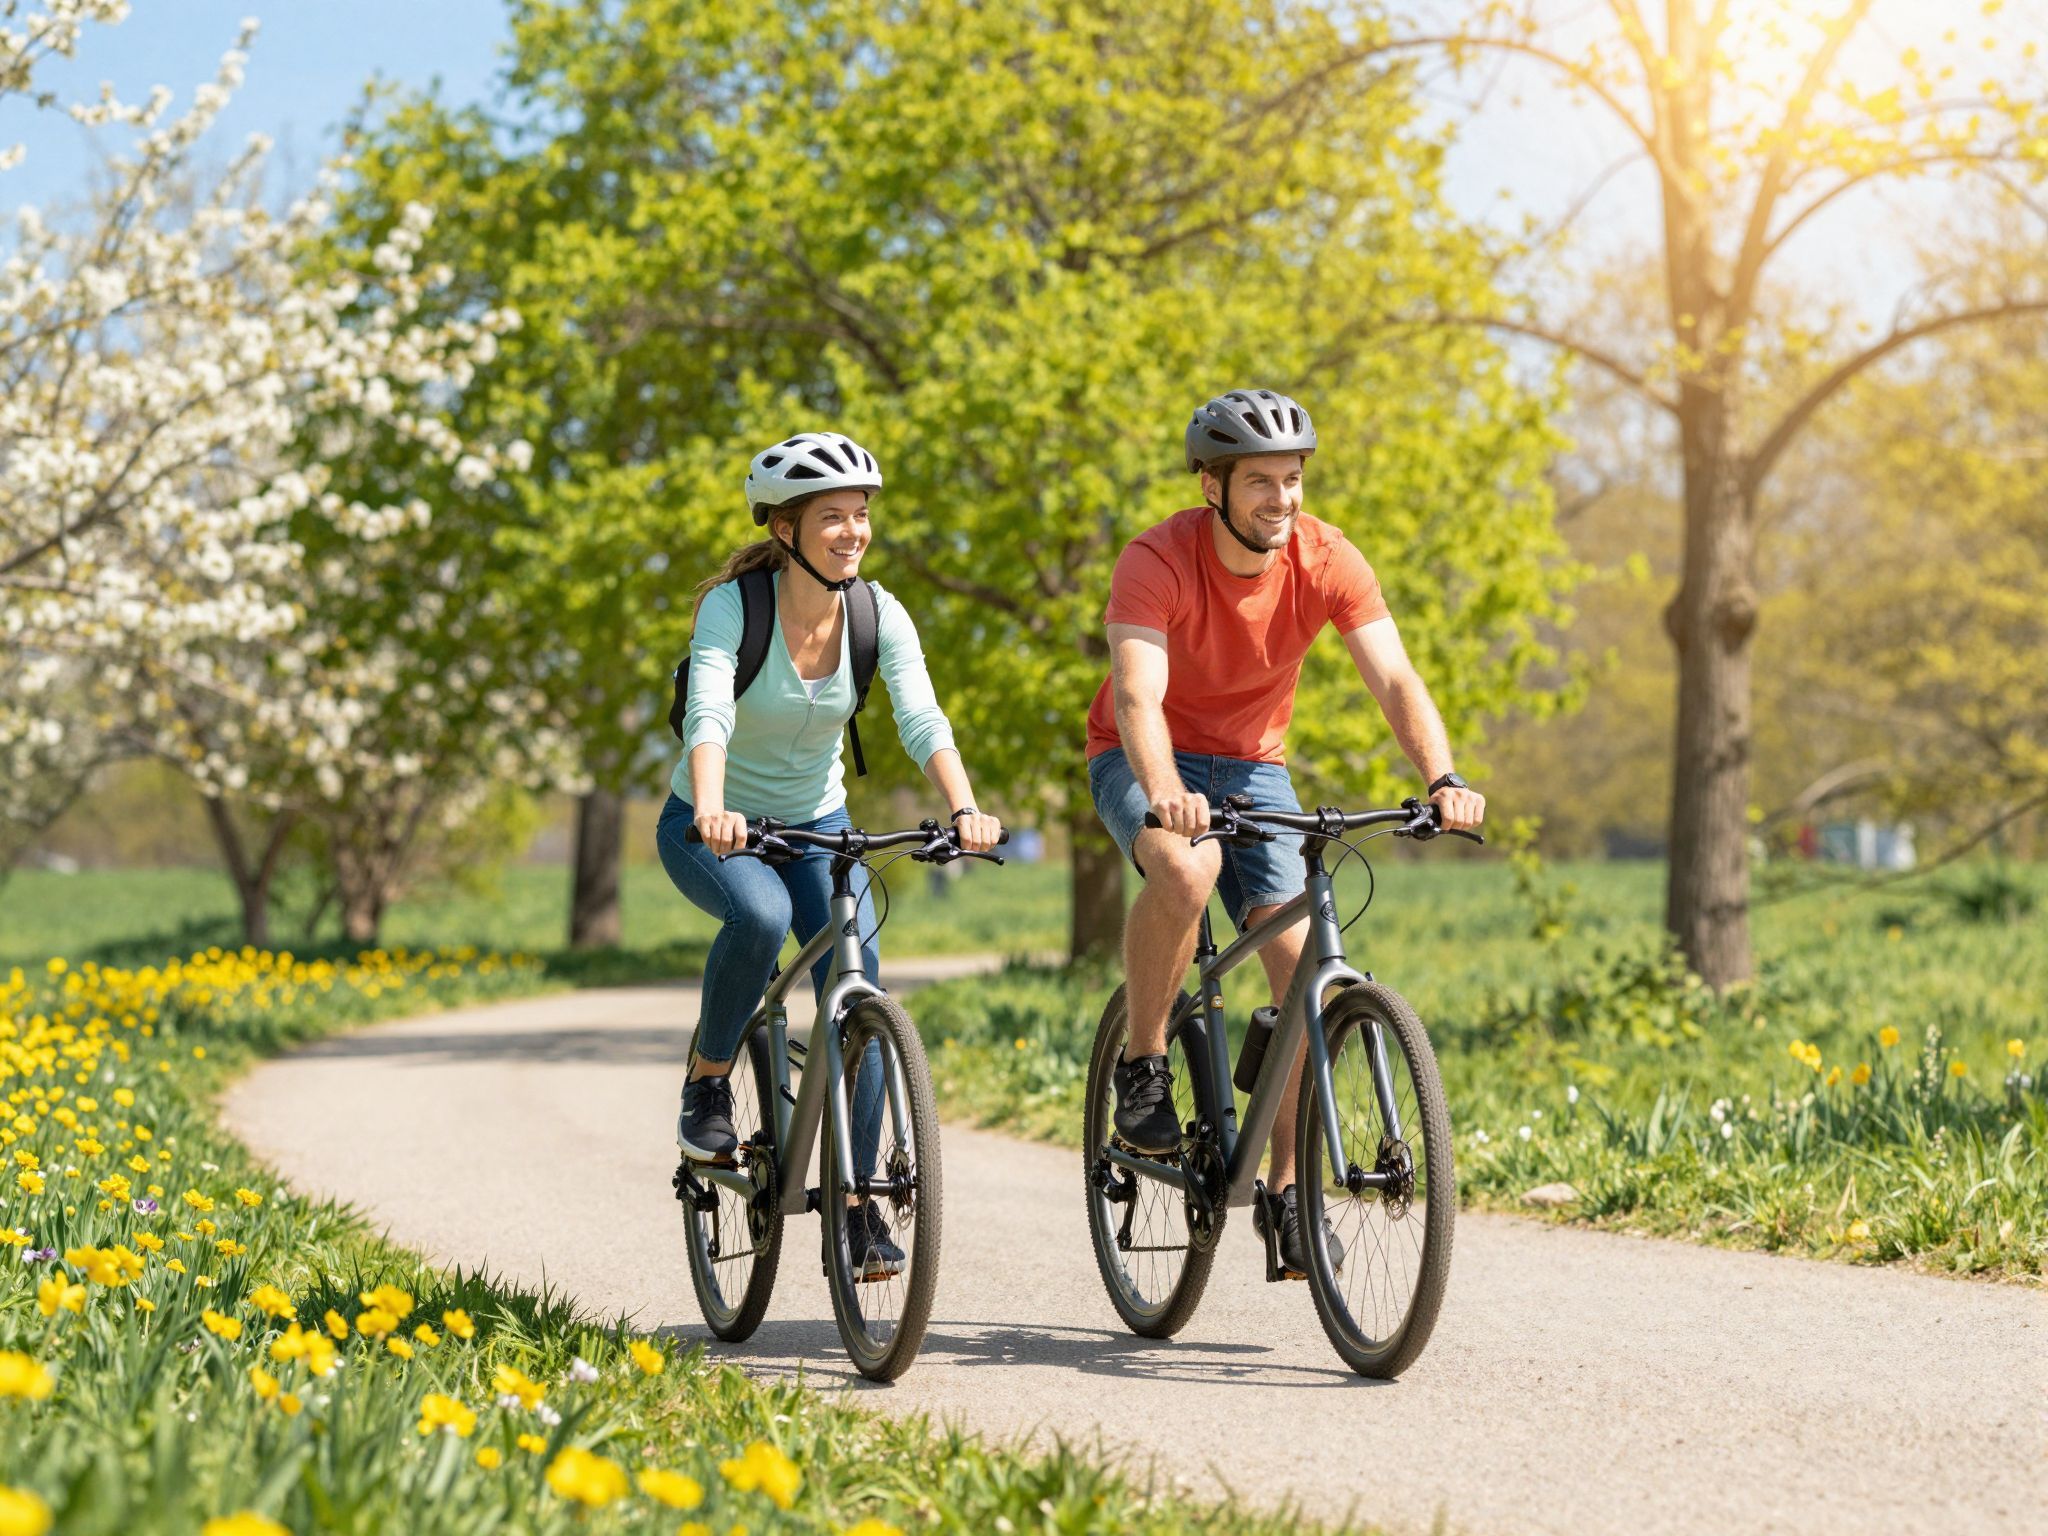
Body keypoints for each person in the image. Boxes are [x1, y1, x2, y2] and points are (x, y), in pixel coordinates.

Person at [1085, 389, 1485, 1277]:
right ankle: (1144, 1065)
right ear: (1212, 485)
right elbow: (1138, 697)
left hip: (1255, 766)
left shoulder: (1327, 556)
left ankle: (1287, 1190)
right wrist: (1165, 792)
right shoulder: (1157, 558)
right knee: (1185, 876)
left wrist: (1441, 777)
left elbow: (1395, 680)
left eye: (1293, 478)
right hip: (1143, 755)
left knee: (1302, 964)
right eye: (1260, 480)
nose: (1282, 498)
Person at [659, 430, 1002, 1278]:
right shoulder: (735, 607)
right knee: (761, 913)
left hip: (817, 825)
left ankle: (855, 1215)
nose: (852, 531)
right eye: (832, 517)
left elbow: (921, 717)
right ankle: (709, 1079)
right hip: (711, 822)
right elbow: (710, 712)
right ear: (786, 530)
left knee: (859, 993)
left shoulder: (875, 612)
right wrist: (711, 808)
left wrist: (963, 808)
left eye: (860, 515)